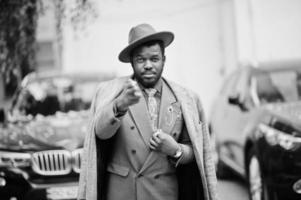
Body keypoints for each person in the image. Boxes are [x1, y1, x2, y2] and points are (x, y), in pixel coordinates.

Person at [78, 23, 218, 200]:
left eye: (154, 59)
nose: (148, 65)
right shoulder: (113, 93)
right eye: (141, 60)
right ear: (131, 61)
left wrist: (175, 150)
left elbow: (196, 151)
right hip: (122, 193)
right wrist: (120, 105)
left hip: (164, 194)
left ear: (164, 60)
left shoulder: (185, 99)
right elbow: (100, 133)